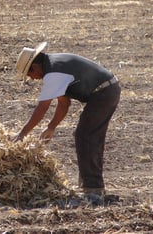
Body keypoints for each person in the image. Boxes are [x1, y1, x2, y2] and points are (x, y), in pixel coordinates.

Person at [14, 42, 121, 197]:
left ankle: (93, 188)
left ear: (35, 67)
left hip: (103, 93)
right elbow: (64, 103)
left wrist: (22, 134)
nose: (33, 79)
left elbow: (42, 107)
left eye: (30, 75)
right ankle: (90, 185)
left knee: (86, 135)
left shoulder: (53, 74)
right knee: (89, 136)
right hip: (106, 89)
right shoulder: (55, 65)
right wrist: (51, 127)